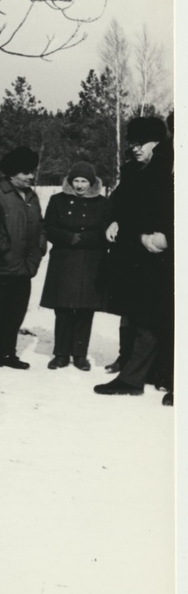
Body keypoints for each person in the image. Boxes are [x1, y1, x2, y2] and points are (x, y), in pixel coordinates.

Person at [95, 116, 173, 404]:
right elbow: (118, 204)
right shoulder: (132, 171)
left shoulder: (168, 168)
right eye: (132, 144)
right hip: (139, 256)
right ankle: (137, 376)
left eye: (141, 143)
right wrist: (114, 220)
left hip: (163, 255)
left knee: (156, 318)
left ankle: (145, 376)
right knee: (145, 317)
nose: (136, 149)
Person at [0, 146, 47, 372]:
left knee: (15, 314)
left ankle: (7, 354)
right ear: (11, 173)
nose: (30, 176)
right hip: (2, 266)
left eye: (31, 172)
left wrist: (40, 247)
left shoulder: (32, 196)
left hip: (25, 266)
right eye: (25, 172)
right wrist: (3, 249)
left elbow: (41, 225)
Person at [39, 161, 111, 371]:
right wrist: (69, 238)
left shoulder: (103, 203)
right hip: (64, 260)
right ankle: (61, 354)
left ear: (92, 182)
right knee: (62, 309)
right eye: (76, 181)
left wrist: (83, 239)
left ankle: (80, 355)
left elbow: (105, 232)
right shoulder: (57, 200)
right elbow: (49, 227)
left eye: (84, 181)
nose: (79, 186)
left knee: (84, 309)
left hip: (90, 262)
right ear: (70, 182)